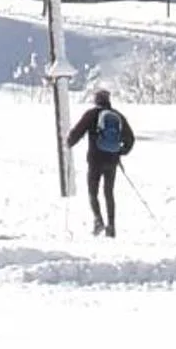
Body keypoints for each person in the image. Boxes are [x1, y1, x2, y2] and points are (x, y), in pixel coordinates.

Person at [66, 87, 135, 237]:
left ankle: (98, 220)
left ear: (96, 100)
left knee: (93, 192)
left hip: (95, 160)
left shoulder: (91, 115)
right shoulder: (117, 116)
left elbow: (77, 132)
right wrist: (120, 152)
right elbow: (130, 139)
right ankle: (111, 226)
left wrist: (68, 143)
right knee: (109, 193)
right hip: (112, 161)